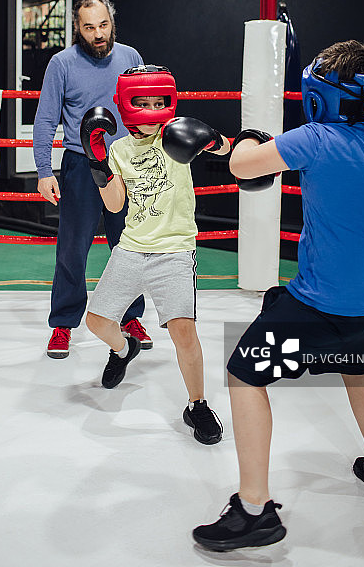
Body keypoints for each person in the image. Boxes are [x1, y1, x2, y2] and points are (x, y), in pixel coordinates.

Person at [192, 40, 364, 551]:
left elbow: (243, 167)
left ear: (318, 96)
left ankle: (253, 510)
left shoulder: (315, 138)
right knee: (357, 362)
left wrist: (243, 142)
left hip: (323, 301)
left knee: (243, 373)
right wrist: (249, 146)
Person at [80, 65, 230, 445]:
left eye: (157, 101)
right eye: (142, 102)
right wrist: (99, 166)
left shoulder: (175, 135)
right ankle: (123, 347)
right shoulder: (118, 149)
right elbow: (114, 206)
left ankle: (197, 405)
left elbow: (227, 148)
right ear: (127, 104)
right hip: (131, 247)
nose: (150, 109)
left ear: (169, 102)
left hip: (175, 251)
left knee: (184, 332)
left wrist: (211, 137)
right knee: (96, 322)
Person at [33, 0, 152, 359]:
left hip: (126, 164)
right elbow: (45, 119)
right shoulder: (62, 63)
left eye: (103, 25)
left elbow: (145, 110)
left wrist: (149, 159)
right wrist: (43, 171)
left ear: (111, 22)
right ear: (78, 29)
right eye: (89, 27)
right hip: (81, 164)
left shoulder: (132, 58)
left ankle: (131, 317)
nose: (98, 34)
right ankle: (63, 325)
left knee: (130, 246)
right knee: (72, 248)